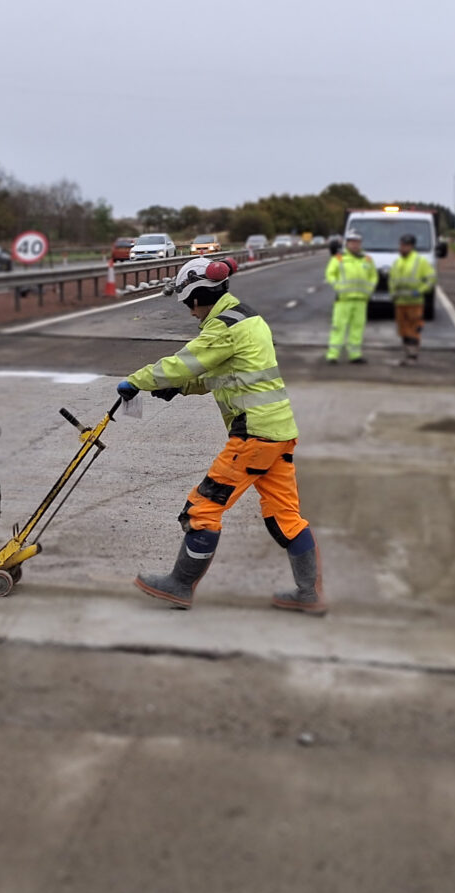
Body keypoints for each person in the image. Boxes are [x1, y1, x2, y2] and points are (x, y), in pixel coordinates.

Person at [120, 257, 325, 615]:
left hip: (253, 436)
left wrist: (137, 380)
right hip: (279, 433)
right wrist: (181, 389)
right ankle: (309, 594)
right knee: (284, 517)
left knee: (202, 508)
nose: (190, 313)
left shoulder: (224, 327)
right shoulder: (248, 318)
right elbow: (223, 374)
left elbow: (184, 362)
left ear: (199, 296)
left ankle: (180, 585)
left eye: (189, 304)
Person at [325, 231, 374, 364]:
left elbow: (373, 276)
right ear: (347, 244)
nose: (354, 245)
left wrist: (369, 289)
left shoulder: (367, 259)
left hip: (360, 301)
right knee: (338, 327)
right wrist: (338, 287)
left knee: (357, 328)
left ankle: (355, 355)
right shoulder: (339, 258)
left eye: (357, 242)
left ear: (360, 244)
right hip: (343, 300)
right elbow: (330, 274)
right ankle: (333, 355)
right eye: (352, 242)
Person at [389, 233, 437, 366]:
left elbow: (431, 278)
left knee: (413, 329)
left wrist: (420, 290)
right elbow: (392, 280)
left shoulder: (420, 261)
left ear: (411, 247)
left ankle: (412, 355)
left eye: (405, 246)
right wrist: (393, 293)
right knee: (403, 330)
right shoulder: (397, 262)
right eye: (401, 245)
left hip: (414, 302)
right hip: (400, 302)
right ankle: (407, 355)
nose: (402, 248)